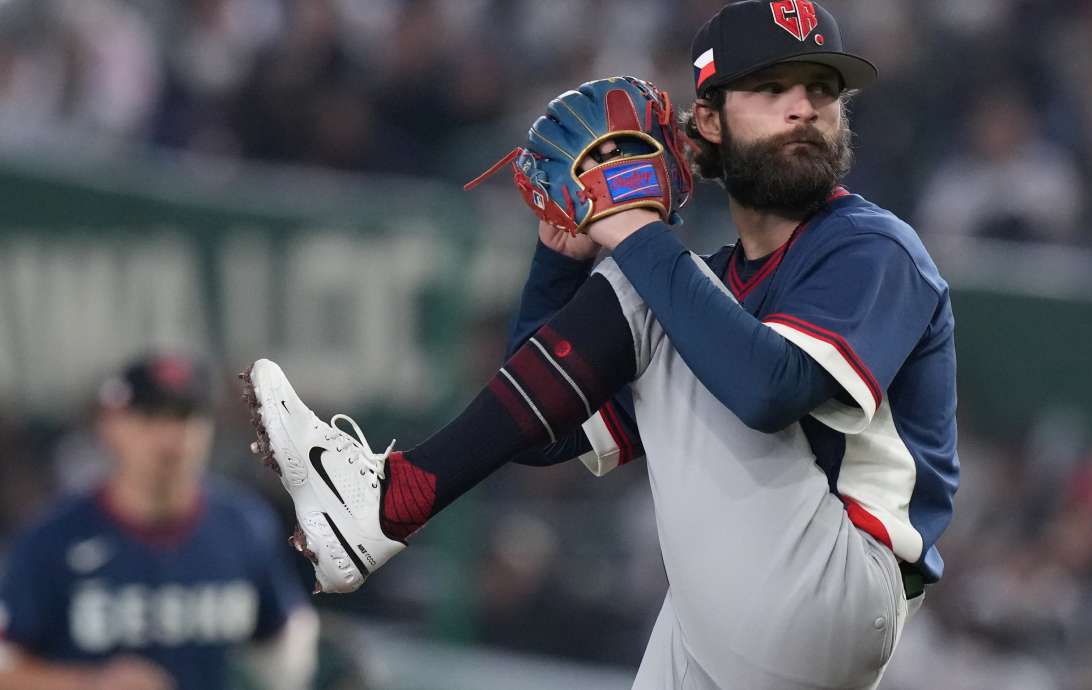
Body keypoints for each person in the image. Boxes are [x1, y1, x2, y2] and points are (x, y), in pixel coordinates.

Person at [244, 2, 957, 688]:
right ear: (706, 120)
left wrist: (630, 229)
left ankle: (390, 502)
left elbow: (770, 389)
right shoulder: (701, 283)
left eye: (823, 90)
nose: (805, 106)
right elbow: (543, 432)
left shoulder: (872, 247)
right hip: (731, 621)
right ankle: (386, 503)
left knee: (657, 293)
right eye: (772, 88)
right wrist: (558, 263)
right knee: (660, 294)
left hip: (834, 584)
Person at [0, 354, 318, 690]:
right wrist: (88, 684)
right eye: (149, 417)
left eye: (184, 417)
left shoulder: (245, 526)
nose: (169, 439)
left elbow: (283, 637)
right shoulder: (55, 538)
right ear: (111, 426)